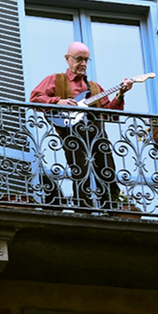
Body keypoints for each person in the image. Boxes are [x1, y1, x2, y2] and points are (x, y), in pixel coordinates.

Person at [30, 41, 134, 209]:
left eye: (86, 60)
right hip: (71, 132)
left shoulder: (94, 87)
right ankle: (83, 207)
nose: (83, 64)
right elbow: (35, 98)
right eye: (79, 59)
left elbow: (109, 112)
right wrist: (59, 101)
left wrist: (121, 94)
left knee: (107, 168)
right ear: (67, 59)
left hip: (97, 132)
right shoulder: (56, 79)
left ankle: (112, 207)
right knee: (80, 170)